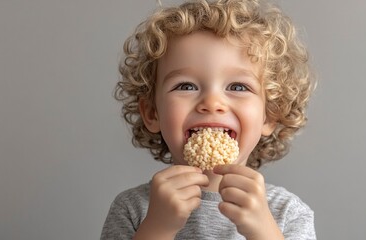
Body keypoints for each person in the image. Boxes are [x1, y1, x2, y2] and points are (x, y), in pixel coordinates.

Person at [101, 0, 316, 239]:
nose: (212, 102)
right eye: (186, 85)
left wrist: (264, 232)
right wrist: (158, 227)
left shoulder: (287, 213)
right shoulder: (133, 209)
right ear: (153, 113)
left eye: (237, 86)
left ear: (270, 115)